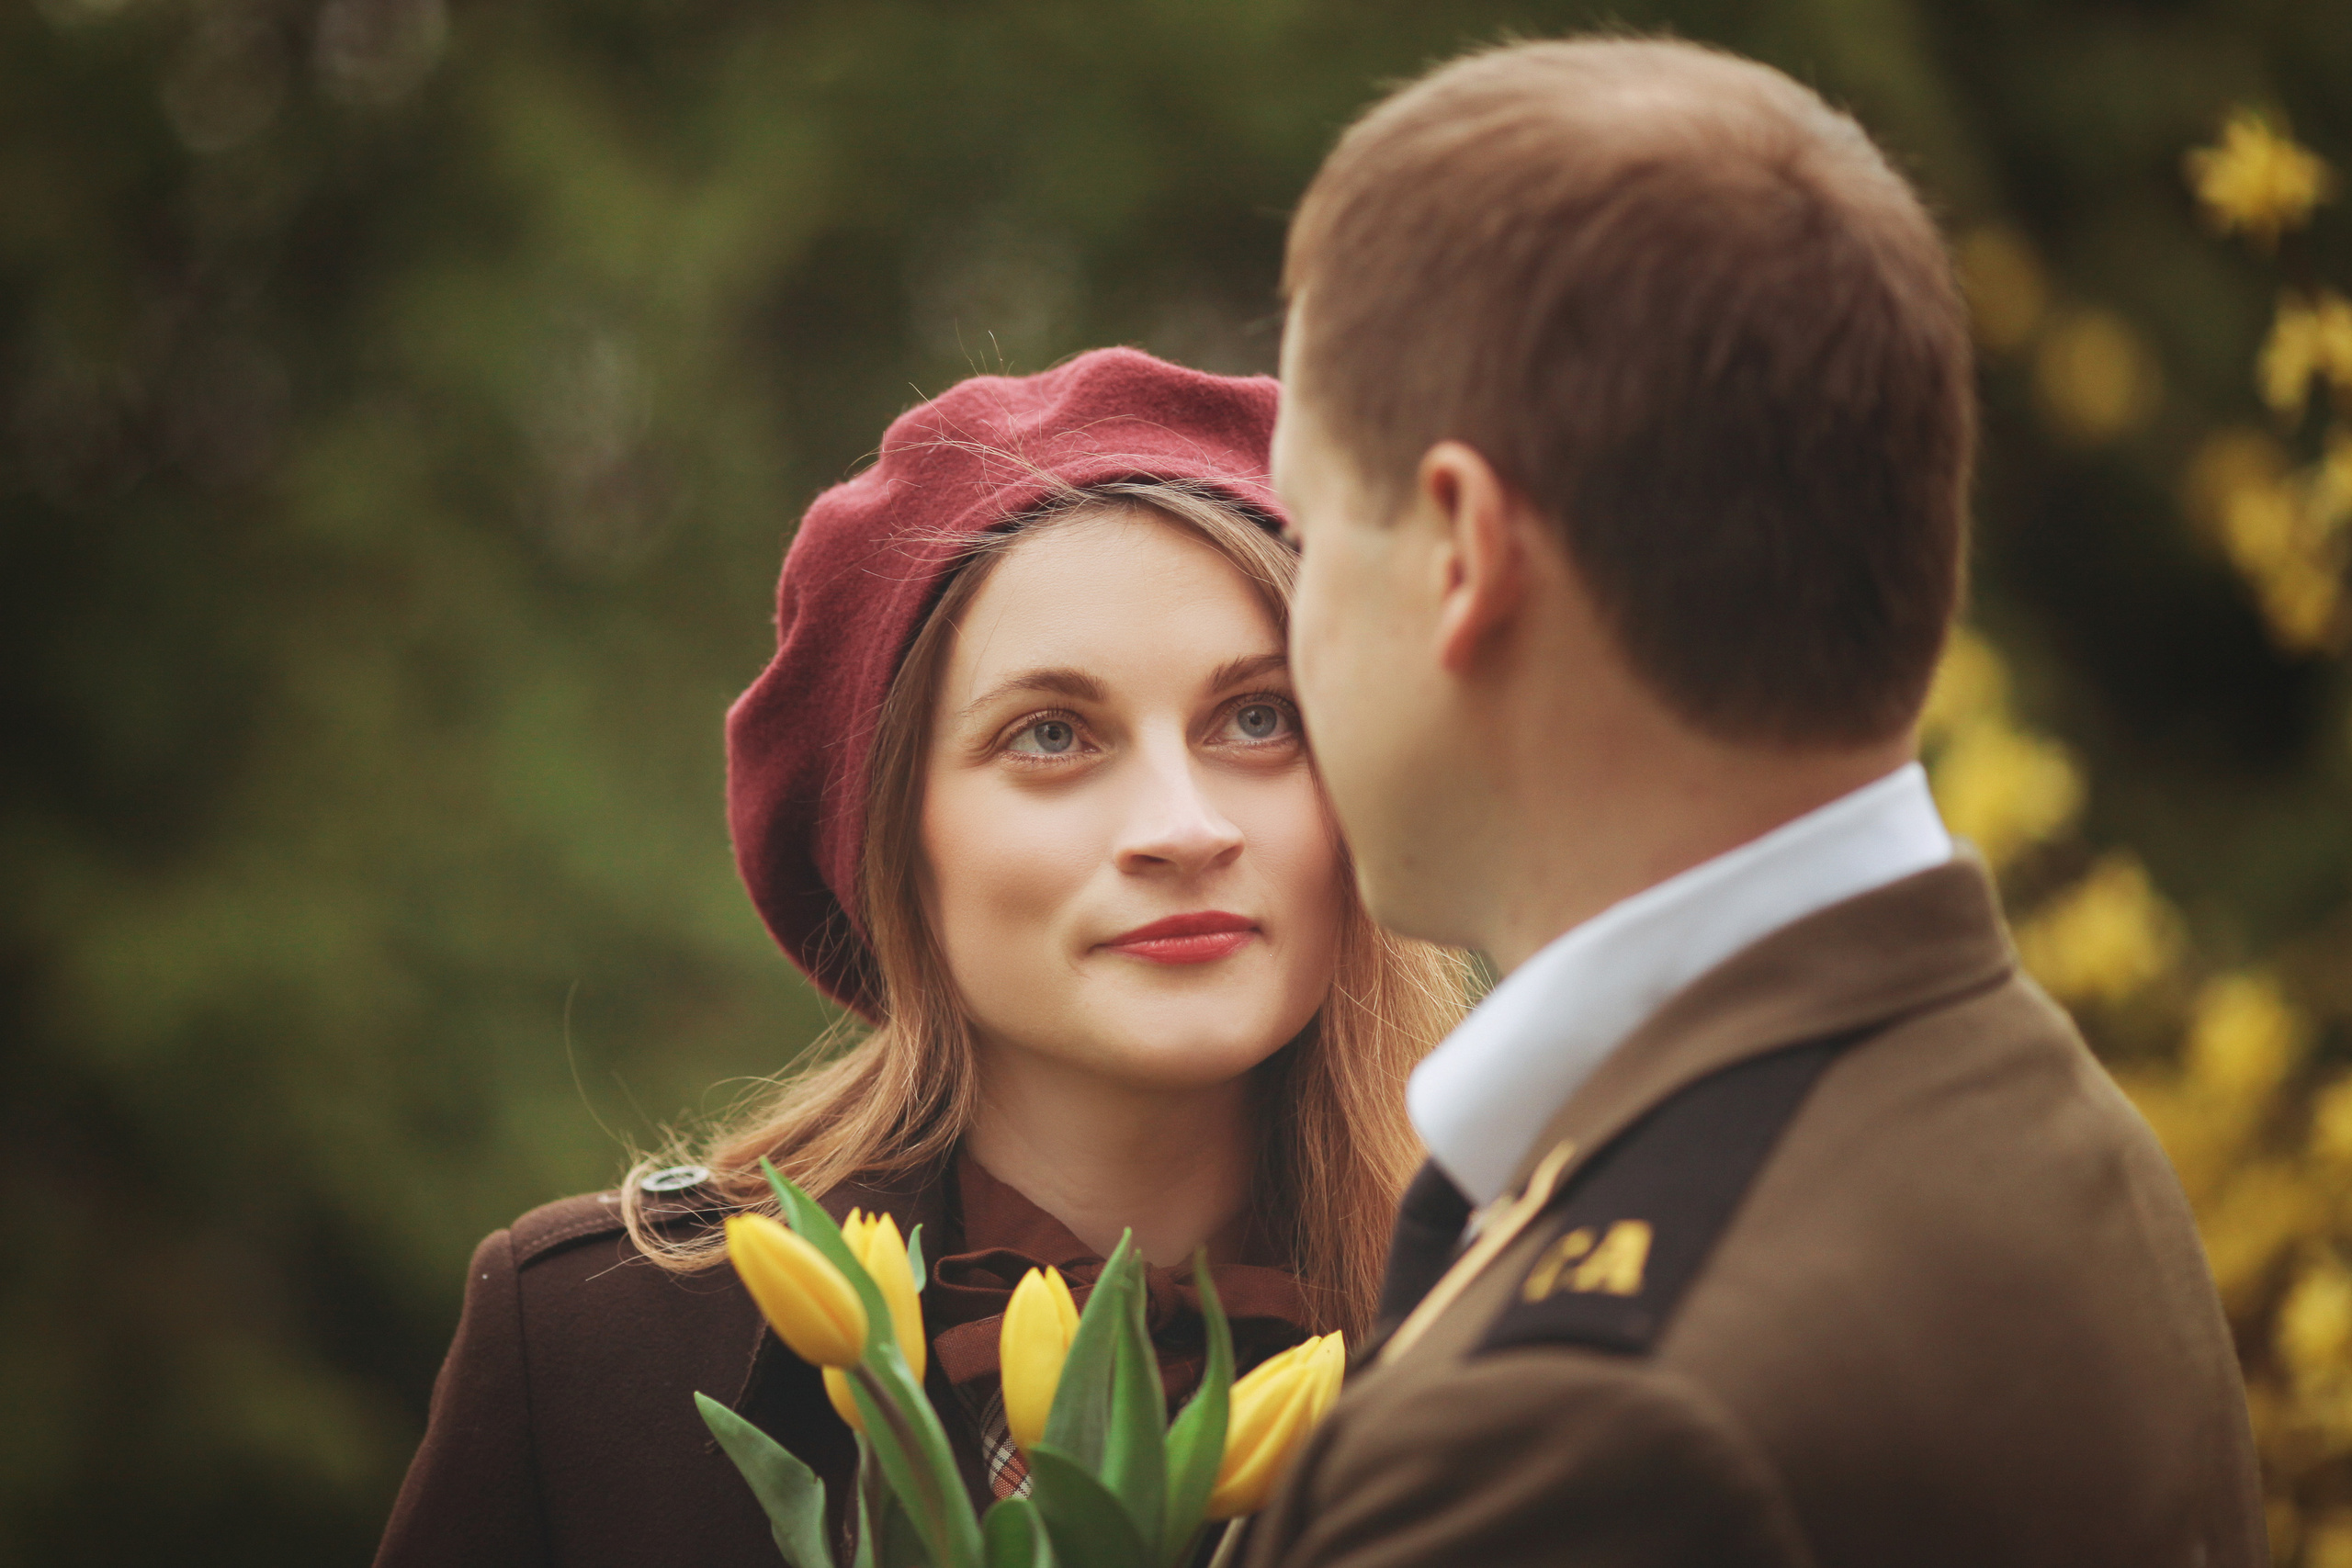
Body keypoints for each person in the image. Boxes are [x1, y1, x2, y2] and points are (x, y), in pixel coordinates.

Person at [1248, 37, 2264, 1568]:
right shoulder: (2045, 1115)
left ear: (1462, 551)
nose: (1298, 619)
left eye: (1310, 531)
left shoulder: (1580, 1431)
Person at [373, 348, 1464, 1568]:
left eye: (1258, 719)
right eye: (1051, 735)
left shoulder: (1538, 1345)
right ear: (889, 847)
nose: (1184, 825)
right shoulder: (593, 1346)